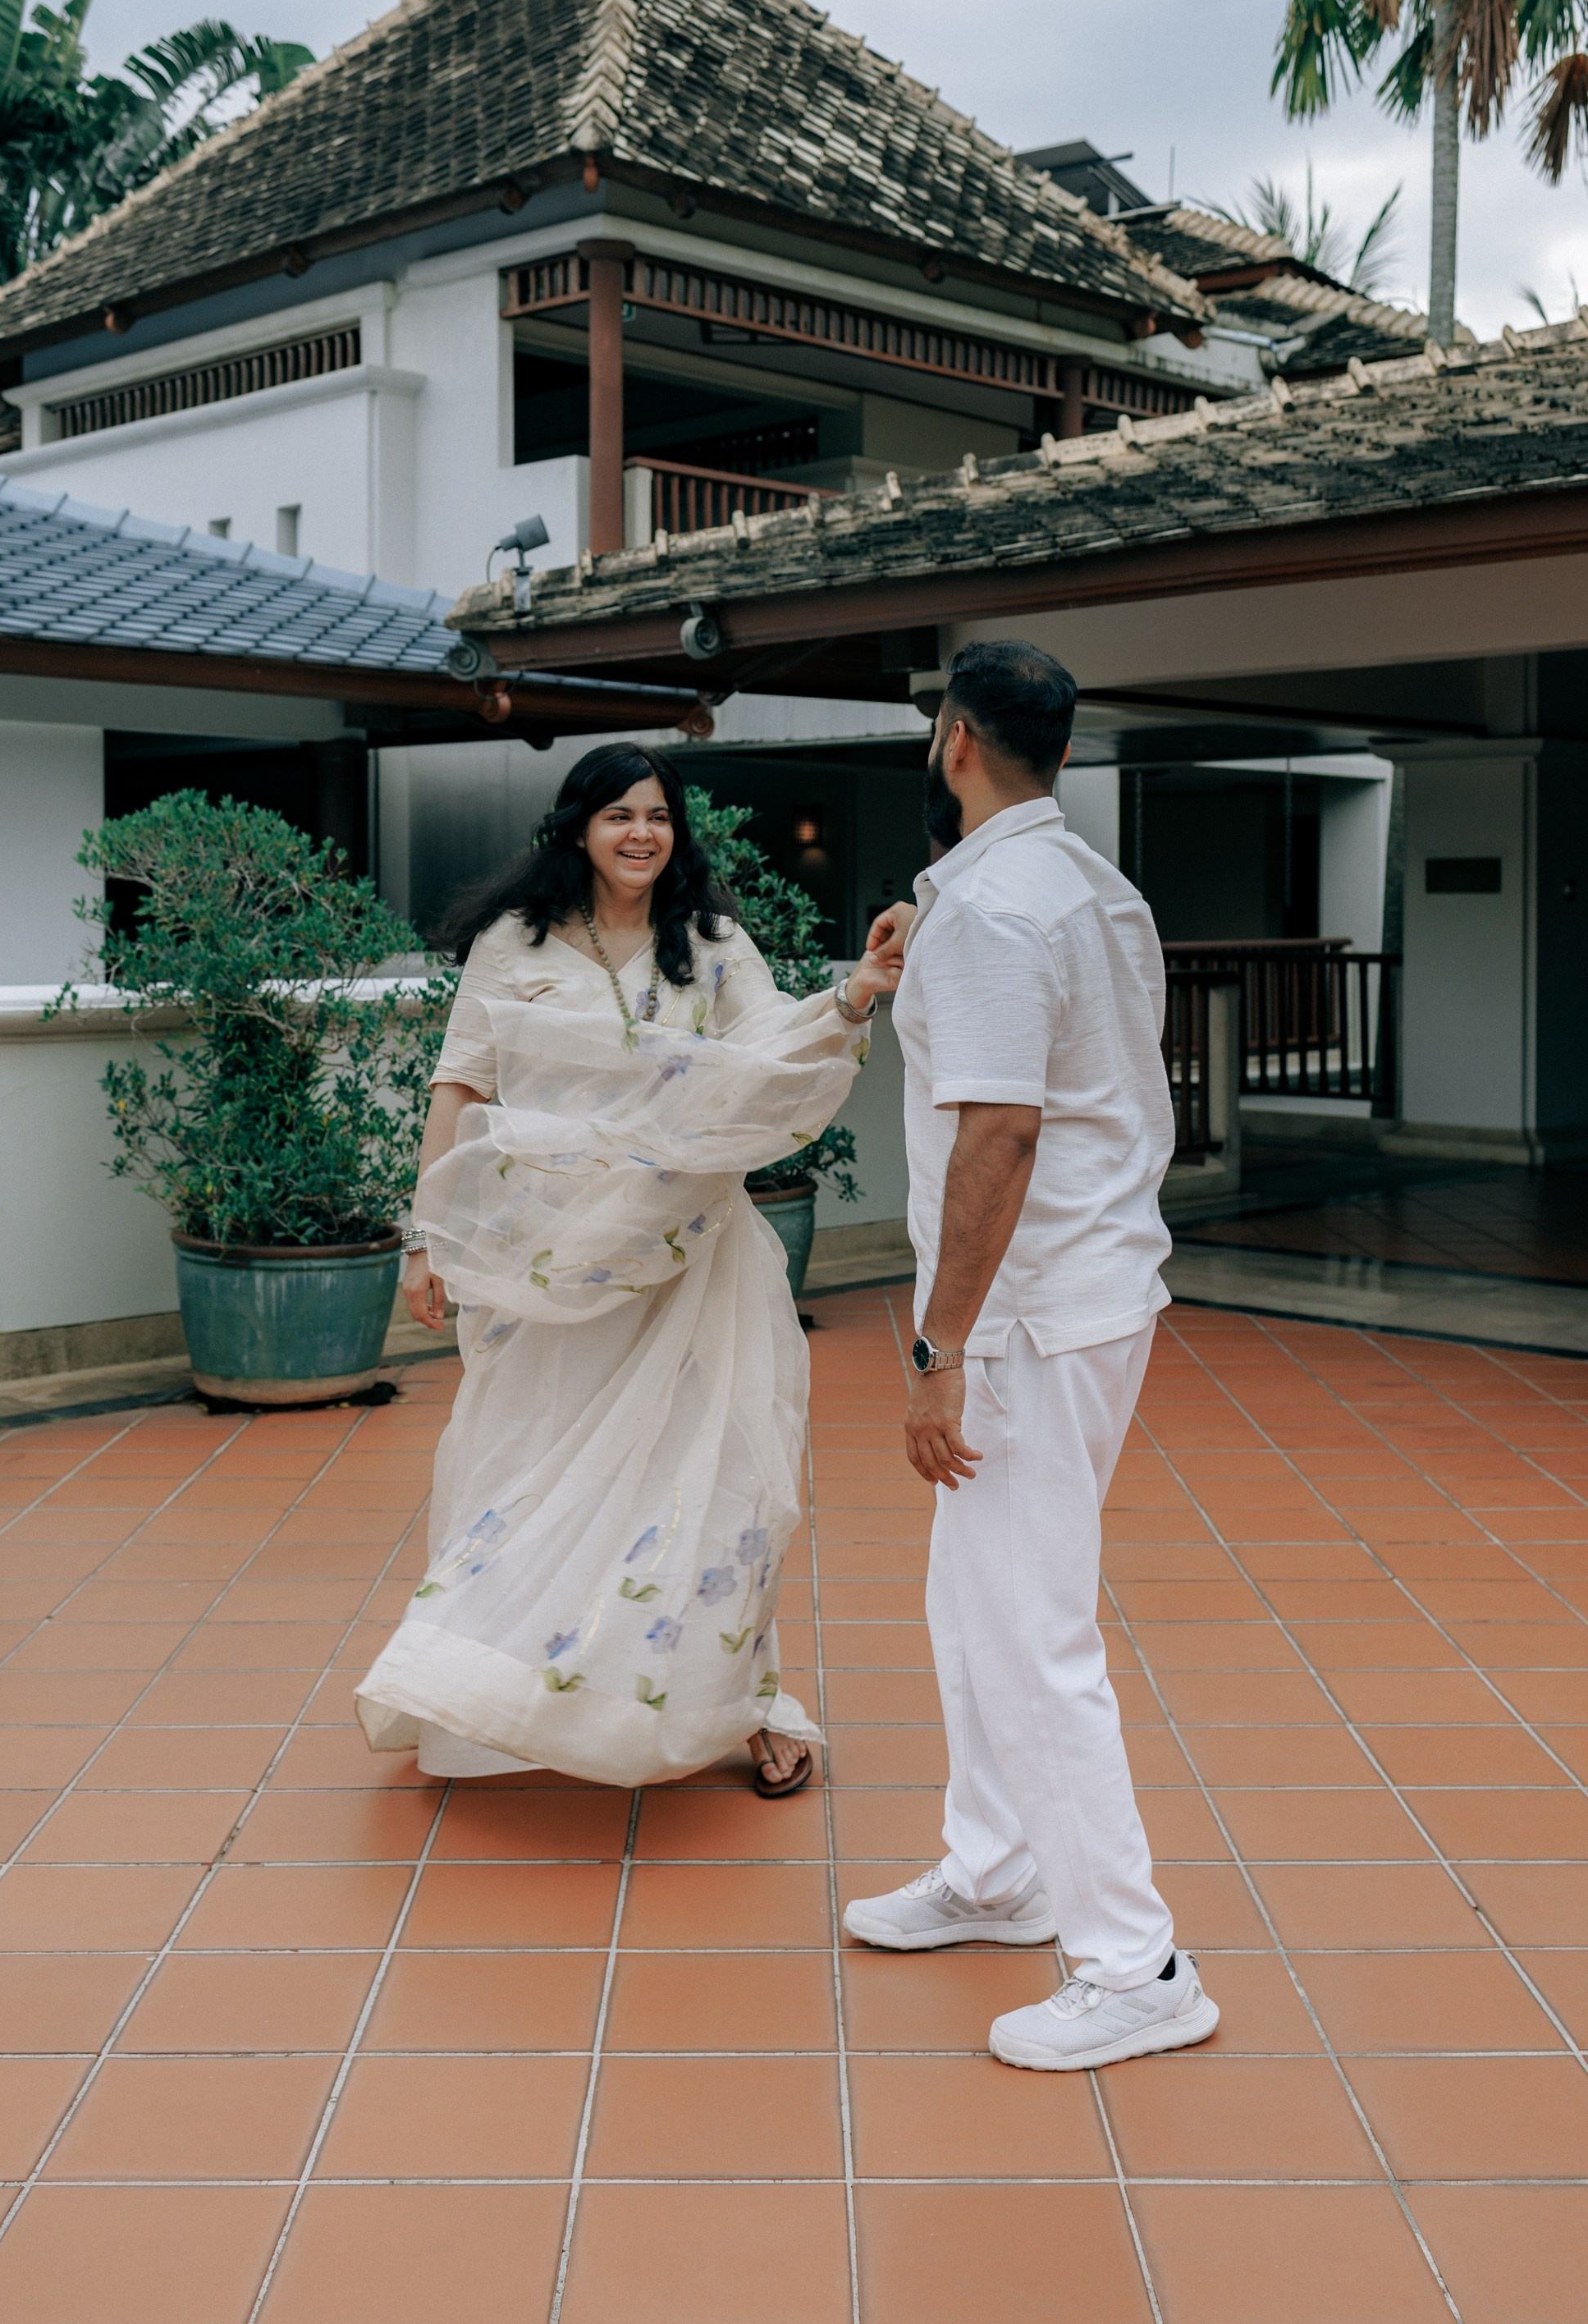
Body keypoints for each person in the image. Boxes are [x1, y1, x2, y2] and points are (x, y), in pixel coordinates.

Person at [355, 744, 901, 1796]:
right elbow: (459, 1089)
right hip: (550, 1267)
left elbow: (772, 1053)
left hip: (694, 1255)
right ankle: (499, 1695)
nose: (640, 833)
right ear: (575, 828)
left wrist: (850, 997)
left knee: (720, 1479)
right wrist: (426, 1239)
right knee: (521, 1472)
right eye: (617, 816)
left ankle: (739, 1705)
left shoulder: (709, 941)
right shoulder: (510, 946)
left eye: (656, 816)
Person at [842, 640, 1220, 2071]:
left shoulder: (999, 909)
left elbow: (1002, 1131)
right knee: (971, 1598)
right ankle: (997, 1869)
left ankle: (1136, 1963)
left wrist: (941, 1343)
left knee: (1034, 1625)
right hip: (1086, 1291)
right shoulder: (1082, 890)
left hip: (1031, 1314)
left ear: (953, 741)